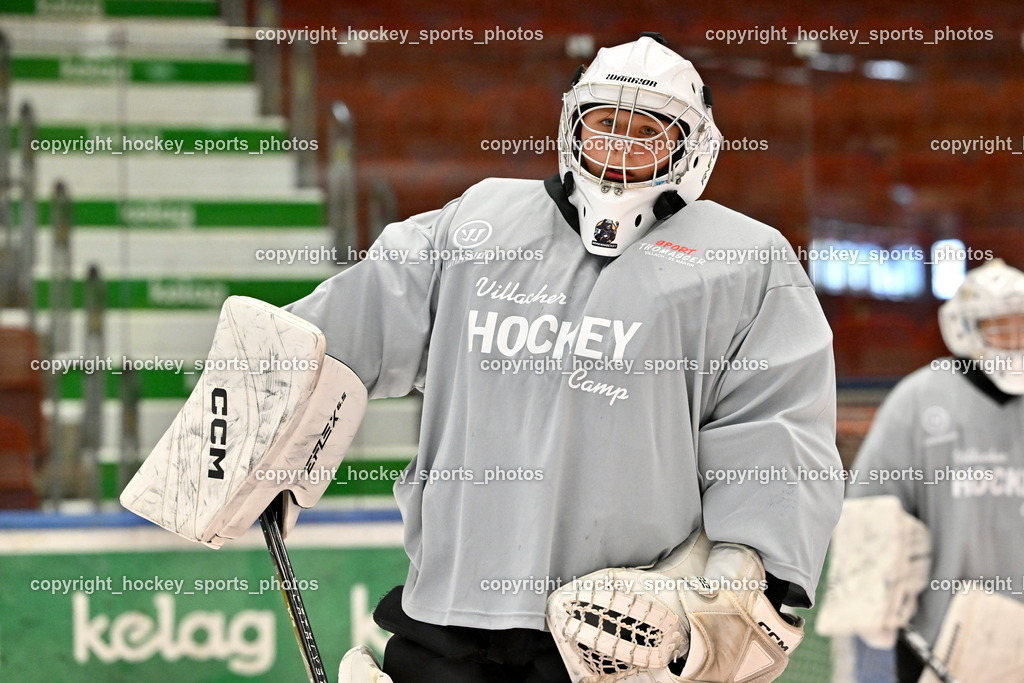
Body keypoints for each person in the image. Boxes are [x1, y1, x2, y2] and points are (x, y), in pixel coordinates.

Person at [287, 33, 843, 682]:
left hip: (618, 635)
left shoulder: (744, 261)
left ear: (692, 146)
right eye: (605, 125)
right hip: (450, 611)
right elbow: (359, 318)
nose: (621, 147)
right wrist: (272, 397)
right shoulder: (482, 221)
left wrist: (736, 583)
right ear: (572, 126)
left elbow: (779, 434)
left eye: (648, 131)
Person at [845, 258, 1024, 682]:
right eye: (1000, 326)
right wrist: (873, 620)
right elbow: (872, 514)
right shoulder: (919, 400)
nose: (1014, 341)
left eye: (1022, 325)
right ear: (966, 329)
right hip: (938, 643)